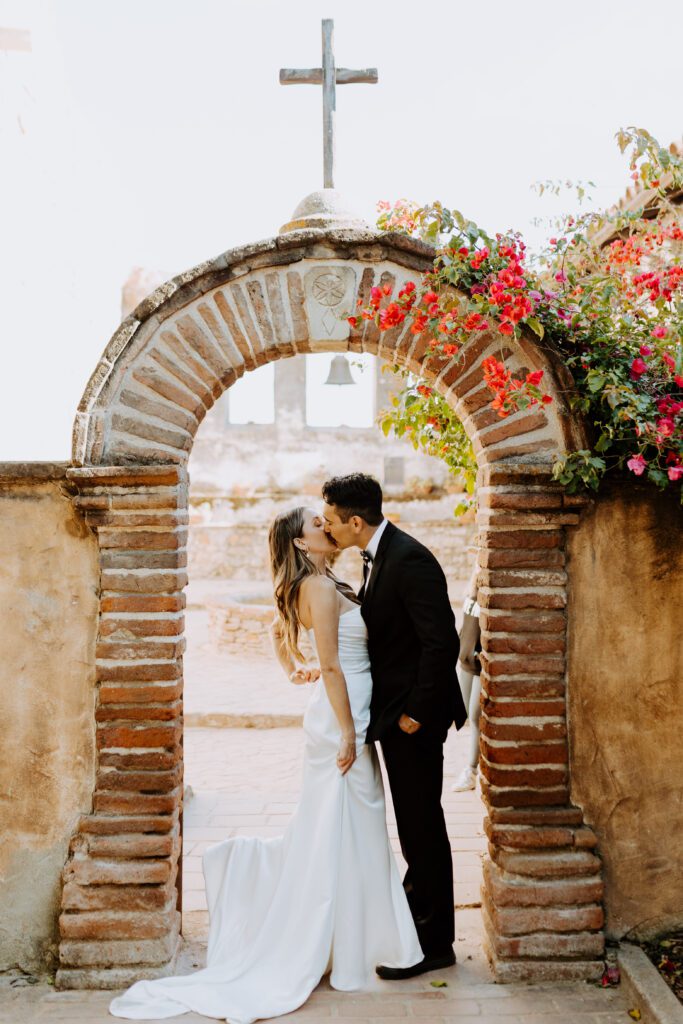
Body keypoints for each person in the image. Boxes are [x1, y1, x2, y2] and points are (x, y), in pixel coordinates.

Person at [109, 506, 422, 1023]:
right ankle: (339, 942)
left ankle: (350, 942)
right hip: (342, 719)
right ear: (300, 545)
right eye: (314, 526)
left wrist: (291, 670)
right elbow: (329, 665)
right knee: (344, 827)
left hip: (352, 710)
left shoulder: (323, 580)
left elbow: (282, 637)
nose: (325, 526)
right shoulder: (319, 590)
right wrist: (347, 729)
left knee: (347, 828)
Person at [321, 473, 467, 980]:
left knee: (422, 824)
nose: (329, 529)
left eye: (333, 522)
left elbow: (440, 643)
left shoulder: (410, 558)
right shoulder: (378, 555)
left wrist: (415, 714)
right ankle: (421, 921)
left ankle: (434, 945)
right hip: (395, 715)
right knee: (413, 823)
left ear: (355, 521)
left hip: (414, 721)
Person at [452, 558, 483, 792]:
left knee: (475, 716)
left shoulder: (488, 592)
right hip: (465, 661)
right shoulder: (471, 592)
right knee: (463, 715)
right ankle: (475, 765)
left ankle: (471, 771)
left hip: (480, 663)